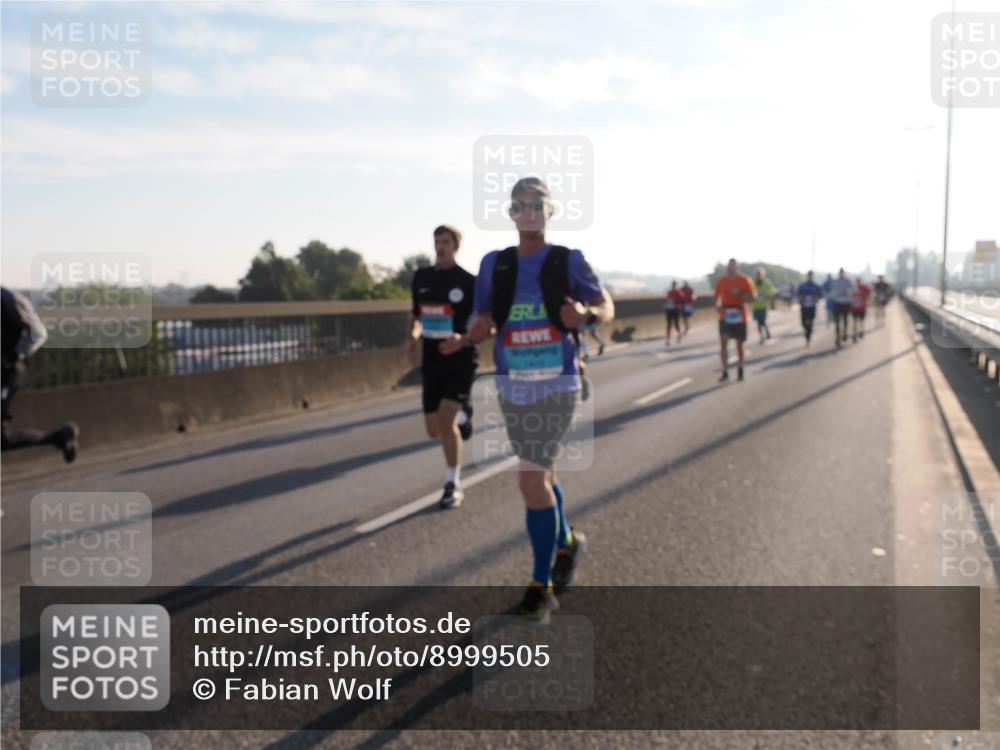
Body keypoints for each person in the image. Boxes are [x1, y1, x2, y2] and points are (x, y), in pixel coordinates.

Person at [459, 177, 613, 625]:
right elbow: (481, 313)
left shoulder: (568, 261)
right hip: (513, 386)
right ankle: (567, 541)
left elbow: (606, 307)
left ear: (550, 212)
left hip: (558, 384)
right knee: (543, 474)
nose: (529, 212)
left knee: (529, 479)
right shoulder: (495, 265)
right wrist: (478, 326)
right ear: (511, 214)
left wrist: (586, 315)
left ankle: (540, 586)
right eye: (520, 206)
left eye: (537, 205)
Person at [406, 226, 477, 510]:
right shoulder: (422, 278)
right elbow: (416, 316)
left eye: (445, 242)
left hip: (460, 359)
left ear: (457, 245)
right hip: (432, 359)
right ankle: (464, 416)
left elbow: (486, 322)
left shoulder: (469, 282)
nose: (440, 247)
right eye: (436, 242)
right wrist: (412, 337)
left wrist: (464, 340)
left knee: (446, 422)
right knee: (434, 430)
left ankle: (452, 484)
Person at [1, 286, 78, 462]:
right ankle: (59, 437)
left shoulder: (9, 299)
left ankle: (58, 437)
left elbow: (38, 333)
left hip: (7, 372)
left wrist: (12, 356)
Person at [714, 259, 757, 382]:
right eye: (729, 266)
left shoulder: (744, 280)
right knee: (723, 344)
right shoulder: (722, 281)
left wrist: (741, 293)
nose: (731, 268)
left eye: (734, 266)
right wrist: (717, 306)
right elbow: (717, 297)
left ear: (737, 267)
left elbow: (752, 298)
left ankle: (740, 370)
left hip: (740, 314)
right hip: (725, 315)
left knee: (740, 345)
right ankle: (725, 371)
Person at [828, 268, 855, 348]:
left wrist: (849, 295)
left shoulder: (847, 281)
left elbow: (853, 290)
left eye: (842, 273)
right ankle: (837, 337)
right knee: (837, 321)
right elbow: (831, 292)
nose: (841, 274)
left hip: (845, 303)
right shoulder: (835, 281)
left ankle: (845, 333)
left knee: (845, 319)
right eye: (840, 273)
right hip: (837, 303)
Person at [796, 271, 824, 346]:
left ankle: (808, 337)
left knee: (811, 322)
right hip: (804, 306)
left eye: (811, 275)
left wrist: (816, 298)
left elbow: (821, 295)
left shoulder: (816, 286)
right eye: (809, 275)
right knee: (803, 322)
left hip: (812, 307)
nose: (810, 277)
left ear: (813, 276)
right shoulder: (802, 285)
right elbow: (797, 294)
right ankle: (806, 332)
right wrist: (800, 298)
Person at [751, 267, 776, 344]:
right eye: (757, 274)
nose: (758, 276)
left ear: (763, 275)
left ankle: (765, 334)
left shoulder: (766, 283)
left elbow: (773, 291)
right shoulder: (753, 283)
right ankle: (764, 335)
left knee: (762, 321)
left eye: (760, 274)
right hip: (755, 306)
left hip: (764, 306)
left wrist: (767, 295)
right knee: (758, 322)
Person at [850, 277, 872, 342]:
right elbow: (870, 294)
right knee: (859, 321)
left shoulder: (855, 288)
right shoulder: (862, 287)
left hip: (858, 307)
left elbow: (849, 296)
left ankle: (857, 333)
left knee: (856, 321)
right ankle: (859, 332)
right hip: (859, 307)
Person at [664, 281, 685, 346]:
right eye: (673, 285)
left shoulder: (678, 292)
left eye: (674, 285)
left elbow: (682, 300)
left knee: (676, 324)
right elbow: (666, 300)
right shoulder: (669, 292)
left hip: (675, 310)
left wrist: (678, 305)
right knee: (669, 325)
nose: (673, 286)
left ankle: (679, 334)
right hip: (669, 310)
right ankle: (668, 339)